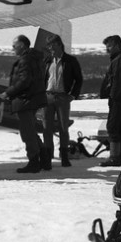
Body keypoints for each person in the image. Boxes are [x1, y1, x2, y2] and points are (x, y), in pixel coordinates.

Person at [2, 35, 48, 173]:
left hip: (25, 100)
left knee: (27, 133)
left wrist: (9, 92)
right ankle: (44, 160)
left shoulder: (25, 60)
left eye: (14, 46)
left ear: (22, 45)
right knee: (31, 131)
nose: (13, 48)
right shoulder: (33, 58)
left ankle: (34, 162)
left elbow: (24, 81)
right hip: (32, 99)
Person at [42, 36, 83, 167]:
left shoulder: (70, 61)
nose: (50, 49)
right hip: (48, 97)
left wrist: (72, 95)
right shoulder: (48, 61)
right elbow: (43, 78)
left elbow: (79, 79)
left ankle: (64, 156)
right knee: (46, 128)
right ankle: (48, 157)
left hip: (63, 97)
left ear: (59, 45)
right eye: (49, 47)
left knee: (63, 127)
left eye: (52, 46)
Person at [99, 34, 121, 166]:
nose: (107, 49)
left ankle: (115, 157)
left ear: (118, 46)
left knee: (113, 127)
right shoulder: (119, 59)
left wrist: (113, 96)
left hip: (118, 97)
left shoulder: (119, 60)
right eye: (107, 46)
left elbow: (118, 80)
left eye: (110, 46)